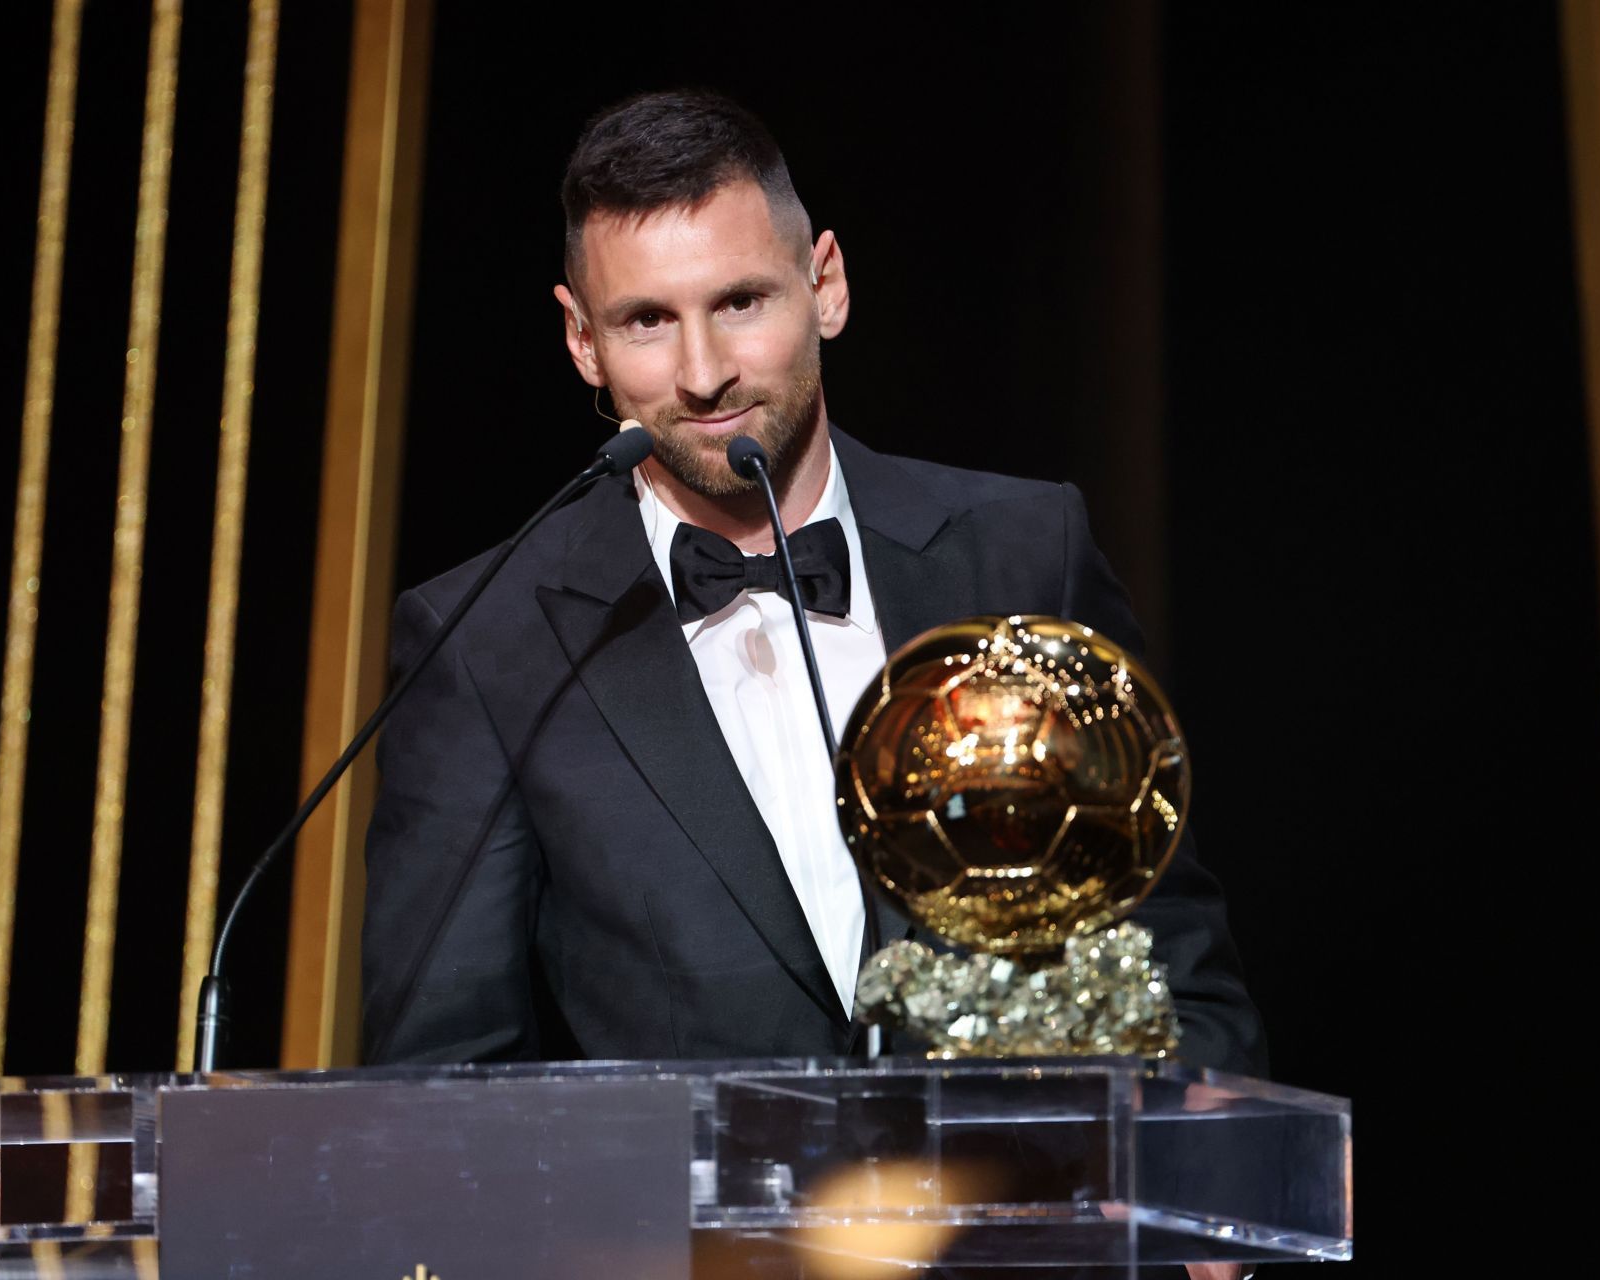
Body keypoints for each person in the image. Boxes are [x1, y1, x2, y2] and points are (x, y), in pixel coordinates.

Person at [360, 90, 1265, 1076]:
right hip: (682, 1234)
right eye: (647, 321)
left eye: (740, 302)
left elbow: (1173, 966)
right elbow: (441, 1081)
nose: (703, 372)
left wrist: (1193, 1186)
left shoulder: (1021, 550)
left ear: (825, 283)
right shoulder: (484, 642)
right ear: (583, 340)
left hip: (1021, 1223)